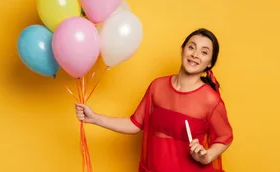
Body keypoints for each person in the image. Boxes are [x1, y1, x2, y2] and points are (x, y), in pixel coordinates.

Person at [74, 28, 234, 172]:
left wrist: (207, 156)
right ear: (183, 50)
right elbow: (135, 123)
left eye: (204, 52)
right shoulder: (157, 86)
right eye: (191, 47)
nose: (195, 54)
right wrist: (95, 118)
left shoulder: (210, 99)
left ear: (210, 63)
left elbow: (225, 136)